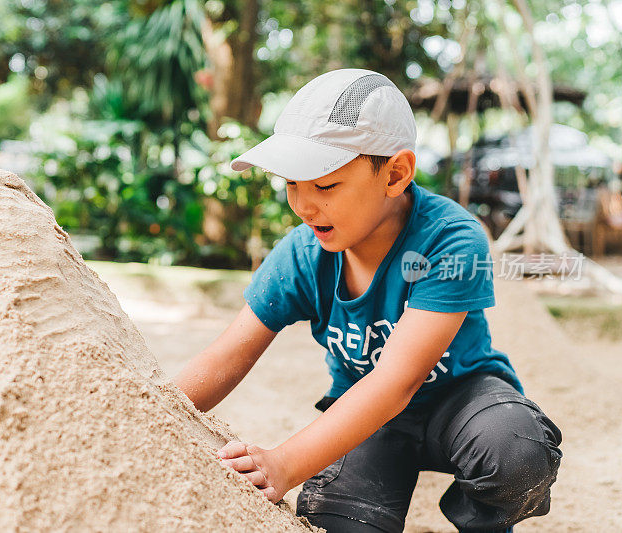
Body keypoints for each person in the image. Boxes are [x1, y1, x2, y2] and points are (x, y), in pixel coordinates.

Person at [173, 69, 562, 533]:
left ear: (395, 173)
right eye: (290, 184)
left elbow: (396, 383)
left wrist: (283, 464)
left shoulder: (450, 240)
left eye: (325, 186)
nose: (301, 205)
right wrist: (154, 409)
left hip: (461, 403)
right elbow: (228, 355)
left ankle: (477, 518)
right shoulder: (301, 254)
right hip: (365, 418)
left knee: (515, 455)